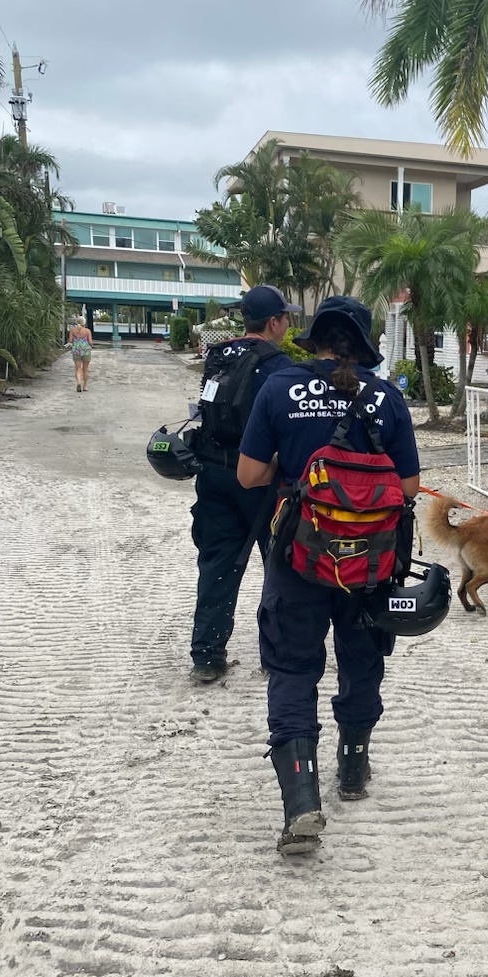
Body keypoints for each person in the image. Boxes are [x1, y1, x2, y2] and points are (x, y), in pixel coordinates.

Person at [238, 296, 420, 855]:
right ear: (363, 345)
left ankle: (301, 801)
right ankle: (354, 768)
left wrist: (293, 469)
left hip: (300, 557)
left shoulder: (279, 389)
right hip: (370, 563)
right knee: (362, 659)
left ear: (313, 339)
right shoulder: (387, 398)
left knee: (292, 668)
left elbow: (248, 477)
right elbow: (409, 490)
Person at [189, 285, 297, 684]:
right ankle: (277, 654)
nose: (288, 323)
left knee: (217, 563)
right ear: (273, 322)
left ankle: (207, 655)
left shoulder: (219, 355)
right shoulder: (279, 366)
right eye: (286, 317)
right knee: (280, 567)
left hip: (214, 472)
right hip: (261, 479)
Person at [68, 320, 94, 393]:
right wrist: (90, 345)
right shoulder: (87, 331)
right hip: (86, 351)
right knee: (85, 369)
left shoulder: (72, 330)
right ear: (84, 323)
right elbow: (90, 342)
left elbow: (70, 340)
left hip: (76, 351)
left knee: (78, 369)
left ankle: (79, 382)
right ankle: (85, 386)